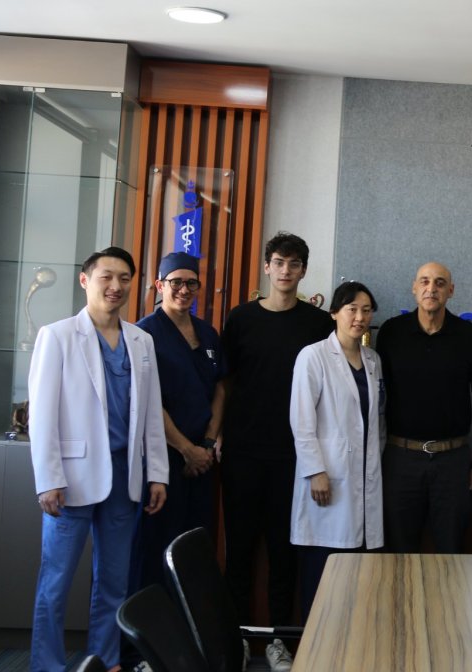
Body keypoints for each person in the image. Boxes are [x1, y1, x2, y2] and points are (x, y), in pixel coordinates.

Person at [28, 247, 168, 672]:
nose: (115, 286)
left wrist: (157, 473)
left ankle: (106, 661)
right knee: (56, 582)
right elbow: (42, 415)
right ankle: (47, 665)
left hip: (125, 476)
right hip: (70, 479)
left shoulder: (141, 340)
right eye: (106, 276)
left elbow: (151, 414)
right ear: (85, 280)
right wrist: (48, 478)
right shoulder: (57, 335)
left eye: (124, 278)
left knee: (113, 581)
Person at [220, 232, 333, 669]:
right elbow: (226, 383)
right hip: (243, 453)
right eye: (279, 263)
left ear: (303, 270)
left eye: (294, 264)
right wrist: (218, 434)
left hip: (293, 457)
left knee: (285, 554)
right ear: (267, 267)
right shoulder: (241, 318)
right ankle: (236, 641)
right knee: (240, 552)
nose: (286, 271)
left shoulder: (318, 323)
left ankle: (280, 642)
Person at [290, 282, 384, 618]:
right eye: (351, 309)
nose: (360, 317)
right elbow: (301, 420)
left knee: (358, 585)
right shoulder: (313, 356)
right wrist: (316, 471)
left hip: (364, 479)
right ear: (334, 313)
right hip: (327, 479)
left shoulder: (372, 360)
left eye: (366, 311)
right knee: (323, 580)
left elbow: (376, 420)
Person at [375, 262, 472, 553]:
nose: (431, 289)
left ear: (451, 290)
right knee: (398, 554)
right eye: (424, 281)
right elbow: (378, 399)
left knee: (451, 553)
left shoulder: (470, 337)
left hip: (453, 461)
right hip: (400, 459)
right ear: (414, 288)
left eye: (439, 283)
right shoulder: (391, 333)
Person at [133, 252, 225, 592]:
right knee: (157, 546)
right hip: (164, 461)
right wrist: (186, 449)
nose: (184, 290)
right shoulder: (144, 334)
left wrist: (207, 444)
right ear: (160, 285)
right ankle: (153, 625)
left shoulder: (207, 333)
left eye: (191, 283)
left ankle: (192, 623)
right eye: (175, 283)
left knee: (195, 547)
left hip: (202, 461)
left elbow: (220, 389)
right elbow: (148, 401)